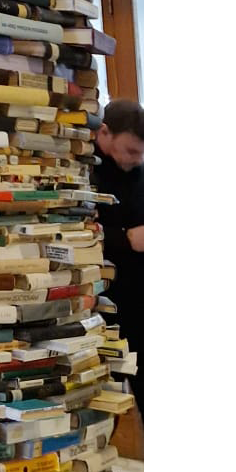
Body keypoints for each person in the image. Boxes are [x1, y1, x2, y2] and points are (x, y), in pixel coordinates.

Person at [90, 99, 143, 413]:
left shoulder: (139, 172)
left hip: (140, 299)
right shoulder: (84, 171)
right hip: (102, 301)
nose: (137, 159)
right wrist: (125, 239)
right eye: (131, 151)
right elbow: (75, 232)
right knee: (103, 399)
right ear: (104, 133)